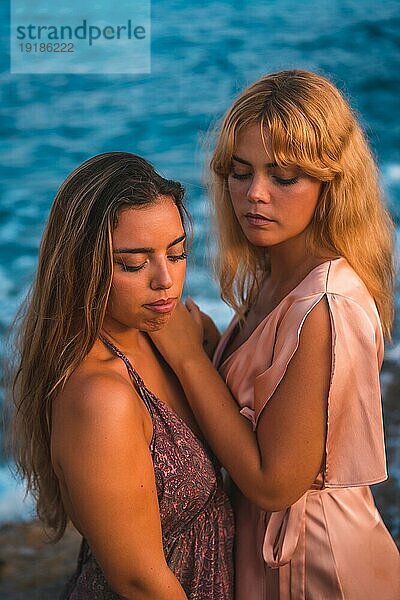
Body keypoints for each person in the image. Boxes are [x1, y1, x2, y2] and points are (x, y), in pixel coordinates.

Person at [149, 70, 400, 599]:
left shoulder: (327, 304)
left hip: (315, 566)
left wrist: (191, 362)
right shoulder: (275, 278)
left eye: (284, 177)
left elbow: (274, 482)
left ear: (330, 183)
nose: (254, 195)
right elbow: (266, 396)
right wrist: (209, 338)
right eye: (241, 173)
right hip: (266, 555)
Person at [10, 152, 234, 600]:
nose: (166, 280)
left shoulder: (167, 335)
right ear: (80, 268)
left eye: (177, 253)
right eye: (133, 264)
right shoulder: (100, 398)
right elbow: (141, 583)